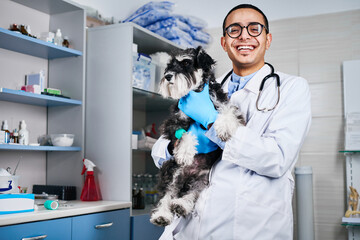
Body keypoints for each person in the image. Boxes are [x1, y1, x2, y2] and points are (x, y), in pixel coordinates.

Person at [151, 4, 312, 239]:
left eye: (254, 29)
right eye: (234, 30)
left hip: (248, 228)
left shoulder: (291, 88)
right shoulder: (200, 90)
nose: (244, 35)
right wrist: (176, 142)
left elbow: (277, 158)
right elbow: (160, 149)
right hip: (187, 228)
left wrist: (210, 121)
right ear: (224, 42)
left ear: (267, 39)